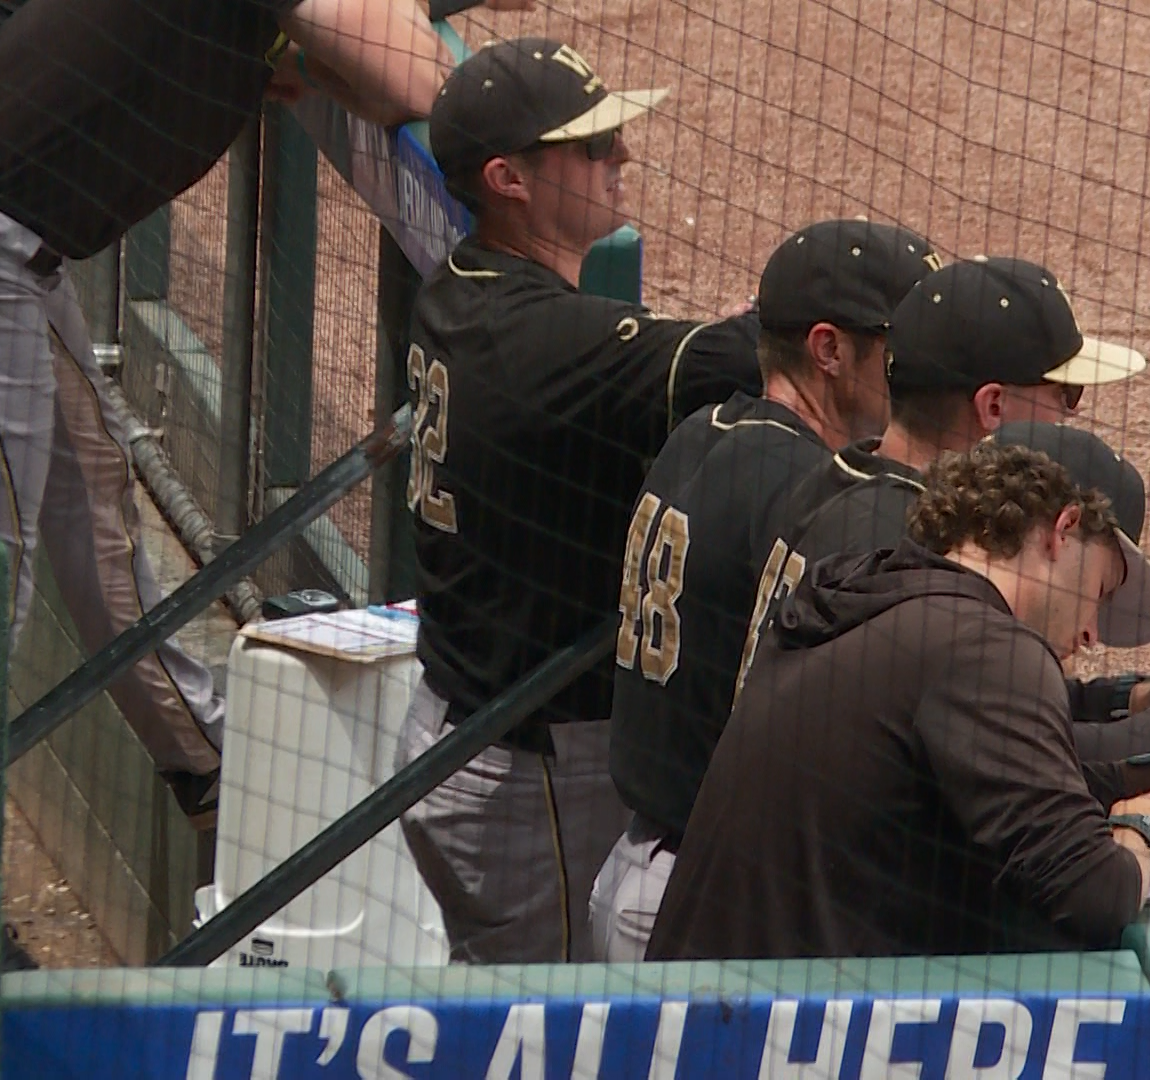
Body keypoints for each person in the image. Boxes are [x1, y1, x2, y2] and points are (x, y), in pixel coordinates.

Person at [0, 0, 447, 826]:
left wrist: (307, 55)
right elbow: (418, 78)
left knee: (90, 503)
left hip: (26, 256)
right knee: (7, 579)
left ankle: (208, 767)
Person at [647, 430, 1150, 960]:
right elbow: (1091, 891)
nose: (1090, 630)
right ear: (1062, 530)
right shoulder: (984, 645)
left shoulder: (874, 597)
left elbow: (1047, 768)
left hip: (696, 1018)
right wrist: (1145, 832)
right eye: (1101, 592)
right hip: (769, 1038)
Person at [392, 37, 764, 964]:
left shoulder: (459, 288)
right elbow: (730, 357)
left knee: (516, 1010)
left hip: (470, 718)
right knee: (551, 1033)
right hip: (529, 765)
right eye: (593, 146)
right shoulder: (548, 341)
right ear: (509, 178)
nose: (620, 159)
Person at [590, 217, 941, 961]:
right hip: (706, 903)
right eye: (902, 347)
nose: (923, 368)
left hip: (644, 863)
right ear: (829, 350)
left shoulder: (699, 432)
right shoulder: (800, 487)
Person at [777, 256, 1150, 754]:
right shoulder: (911, 548)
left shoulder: (838, 483)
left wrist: (1137, 699)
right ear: (993, 407)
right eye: (1064, 395)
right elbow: (1015, 758)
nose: (1072, 414)